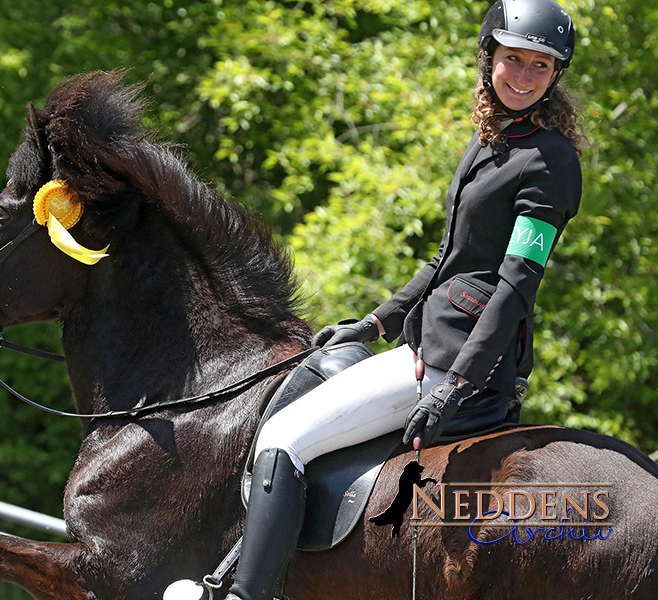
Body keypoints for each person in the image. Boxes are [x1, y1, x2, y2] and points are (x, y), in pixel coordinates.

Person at [225, 1, 583, 599]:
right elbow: (447, 260)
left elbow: (515, 284)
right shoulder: (491, 139)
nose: (523, 76)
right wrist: (375, 322)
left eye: (540, 67)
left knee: (281, 439)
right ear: (489, 57)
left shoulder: (549, 162)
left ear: (554, 77)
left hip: (458, 359)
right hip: (429, 340)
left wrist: (457, 383)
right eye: (513, 59)